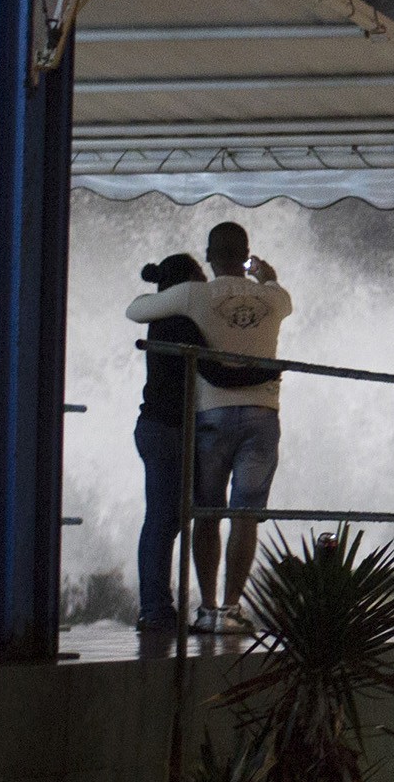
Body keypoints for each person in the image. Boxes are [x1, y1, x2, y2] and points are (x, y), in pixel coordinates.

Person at [124, 220, 292, 635]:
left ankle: (197, 607)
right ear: (247, 253)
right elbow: (219, 369)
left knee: (200, 515)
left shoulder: (190, 301)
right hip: (241, 417)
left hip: (195, 421)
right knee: (236, 516)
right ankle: (223, 608)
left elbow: (135, 309)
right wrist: (265, 279)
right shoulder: (275, 298)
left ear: (210, 255)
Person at [130, 253, 206, 635]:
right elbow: (211, 368)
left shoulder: (161, 319)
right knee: (164, 520)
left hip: (154, 426)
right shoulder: (183, 324)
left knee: (163, 519)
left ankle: (156, 608)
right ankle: (156, 610)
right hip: (168, 429)